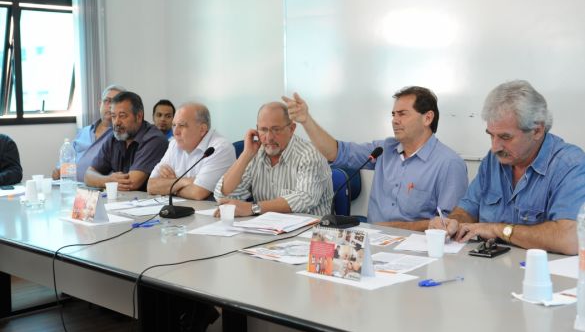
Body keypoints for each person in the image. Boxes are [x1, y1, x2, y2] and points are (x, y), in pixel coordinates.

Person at [429, 80, 585, 255]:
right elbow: (468, 208)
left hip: (542, 275)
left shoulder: (571, 165)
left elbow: (570, 239)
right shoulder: (493, 160)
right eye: (491, 136)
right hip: (490, 271)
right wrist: (453, 222)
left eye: (505, 137)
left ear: (537, 131)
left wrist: (499, 230)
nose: (495, 147)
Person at [283, 87, 468, 231]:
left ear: (427, 118)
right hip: (374, 243)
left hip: (418, 247)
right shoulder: (384, 149)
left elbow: (447, 225)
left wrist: (394, 229)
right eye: (393, 115)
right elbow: (335, 152)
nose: (395, 120)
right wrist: (306, 120)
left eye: (402, 114)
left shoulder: (449, 164)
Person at [214, 101, 333, 216]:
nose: (269, 137)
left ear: (291, 129)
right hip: (265, 230)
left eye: (276, 130)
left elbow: (304, 199)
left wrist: (253, 208)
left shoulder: (311, 154)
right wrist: (246, 155)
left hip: (308, 232)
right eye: (263, 130)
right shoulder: (255, 153)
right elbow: (222, 196)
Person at [147, 102, 236, 200]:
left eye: (181, 125)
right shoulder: (174, 144)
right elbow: (151, 186)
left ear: (202, 129)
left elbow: (197, 193)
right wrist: (182, 182)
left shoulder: (220, 148)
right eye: (174, 125)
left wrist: (170, 186)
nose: (175, 132)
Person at [85, 91, 168, 192]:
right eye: (113, 116)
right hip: (122, 202)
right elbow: (88, 175)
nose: (116, 122)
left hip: (147, 204)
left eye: (122, 116)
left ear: (139, 116)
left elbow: (131, 183)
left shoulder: (154, 139)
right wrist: (107, 180)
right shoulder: (113, 137)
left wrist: (105, 181)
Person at [52, 84, 126, 181]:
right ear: (100, 104)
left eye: (115, 102)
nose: (110, 106)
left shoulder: (120, 135)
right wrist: (58, 169)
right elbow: (67, 157)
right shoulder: (84, 131)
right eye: (107, 101)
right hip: (69, 185)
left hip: (98, 189)